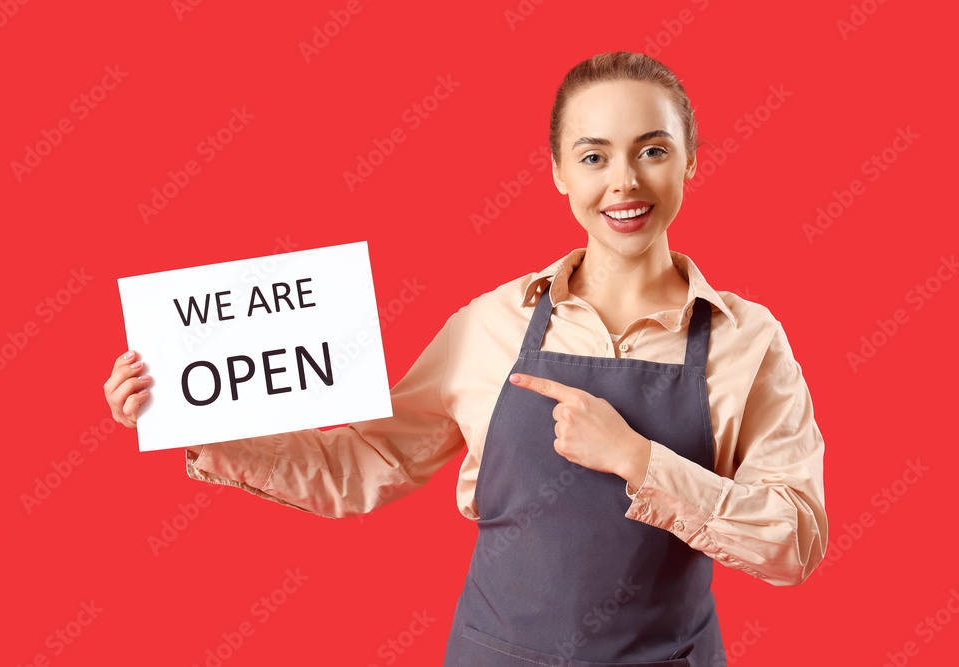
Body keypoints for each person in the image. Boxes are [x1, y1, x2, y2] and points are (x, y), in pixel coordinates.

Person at [105, 52, 827, 666]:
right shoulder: (490, 323)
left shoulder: (747, 340)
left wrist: (639, 460)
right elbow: (361, 465)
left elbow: (794, 541)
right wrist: (195, 418)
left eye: (653, 149)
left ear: (691, 159)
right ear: (558, 173)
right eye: (594, 155)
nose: (624, 182)